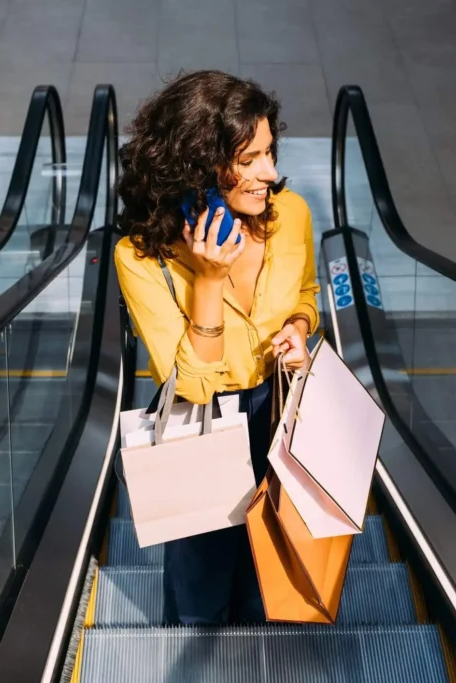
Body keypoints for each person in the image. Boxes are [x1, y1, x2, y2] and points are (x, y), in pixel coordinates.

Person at [113, 70, 320, 626]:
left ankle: (259, 645)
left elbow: (306, 292)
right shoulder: (140, 259)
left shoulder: (292, 216)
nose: (270, 174)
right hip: (205, 421)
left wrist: (299, 327)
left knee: (272, 555)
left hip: (278, 408)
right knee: (201, 572)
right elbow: (193, 387)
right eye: (249, 159)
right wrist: (206, 281)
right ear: (198, 167)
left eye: (270, 153)